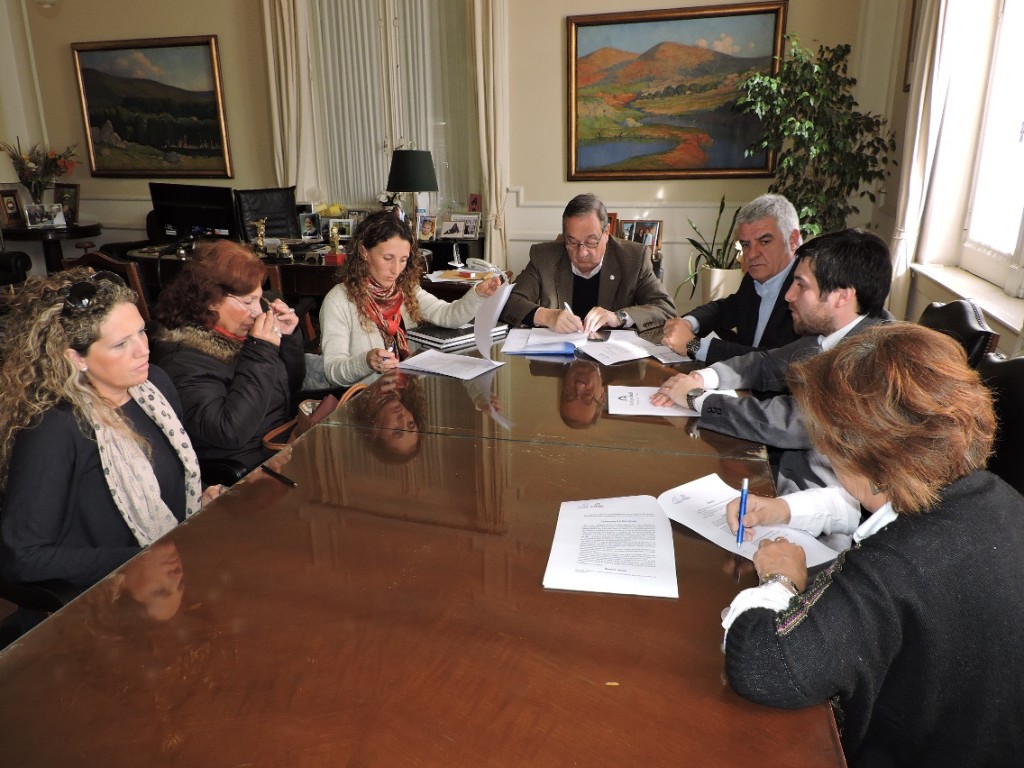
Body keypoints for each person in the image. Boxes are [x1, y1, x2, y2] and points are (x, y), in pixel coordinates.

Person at [722, 323, 1024, 767]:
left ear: (861, 453)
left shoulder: (891, 564)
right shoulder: (996, 497)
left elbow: (762, 665)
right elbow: (871, 505)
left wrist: (780, 579)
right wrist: (784, 510)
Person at [652, 229, 893, 517]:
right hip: (783, 483)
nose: (789, 295)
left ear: (842, 296)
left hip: (821, 514)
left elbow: (786, 422)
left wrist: (695, 398)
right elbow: (764, 363)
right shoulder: (830, 332)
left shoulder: (875, 359)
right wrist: (704, 378)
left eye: (801, 286)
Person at [0, 268, 215, 589]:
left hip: (167, 572)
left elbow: (162, 487)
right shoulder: (56, 427)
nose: (143, 349)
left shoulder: (154, 385)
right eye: (120, 345)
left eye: (142, 332)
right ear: (76, 357)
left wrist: (198, 502)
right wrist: (134, 561)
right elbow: (22, 556)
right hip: (101, 599)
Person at [150, 240, 305, 474]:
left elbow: (290, 386)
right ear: (212, 300)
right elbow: (229, 432)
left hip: (280, 446)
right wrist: (262, 351)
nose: (258, 311)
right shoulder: (182, 360)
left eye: (259, 299)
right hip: (247, 470)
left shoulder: (242, 335)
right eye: (248, 302)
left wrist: (288, 339)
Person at [319, 209, 501, 386]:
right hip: (368, 403)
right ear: (364, 252)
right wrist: (366, 361)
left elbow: (449, 316)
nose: (396, 269)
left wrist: (478, 294)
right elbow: (332, 372)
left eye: (403, 260)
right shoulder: (338, 301)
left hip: (407, 394)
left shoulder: (406, 290)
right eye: (388, 258)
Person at [500, 193, 675, 334]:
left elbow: (665, 309)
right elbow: (509, 303)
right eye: (573, 242)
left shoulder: (633, 258)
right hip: (556, 364)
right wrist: (547, 316)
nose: (582, 252)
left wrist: (618, 317)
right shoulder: (545, 257)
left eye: (591, 242)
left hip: (612, 369)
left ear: (606, 232)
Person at [663, 194, 802, 364]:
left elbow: (776, 361)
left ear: (793, 240)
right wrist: (687, 323)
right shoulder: (755, 278)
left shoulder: (807, 289)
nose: (751, 254)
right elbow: (726, 308)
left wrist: (694, 346)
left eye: (764, 241)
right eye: (745, 244)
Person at [350, 372, 425, 462]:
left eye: (397, 431)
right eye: (411, 424)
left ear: (375, 432)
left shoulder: (350, 398)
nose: (403, 419)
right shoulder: (413, 378)